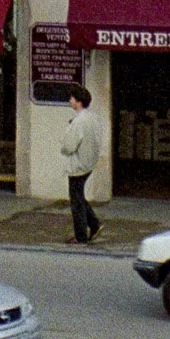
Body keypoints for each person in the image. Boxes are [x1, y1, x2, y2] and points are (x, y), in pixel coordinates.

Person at [59, 84, 104, 243]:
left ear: (78, 101)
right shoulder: (92, 118)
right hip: (88, 163)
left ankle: (81, 236)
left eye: (72, 98)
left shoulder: (78, 121)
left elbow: (69, 146)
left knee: (76, 202)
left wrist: (63, 146)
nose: (70, 101)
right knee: (79, 196)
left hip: (78, 165)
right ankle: (94, 224)